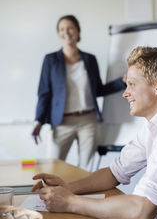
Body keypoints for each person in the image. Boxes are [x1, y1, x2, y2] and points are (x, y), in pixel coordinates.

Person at [32, 46, 157, 219]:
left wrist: (70, 202)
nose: (125, 93)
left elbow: (142, 210)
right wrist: (68, 188)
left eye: (131, 84)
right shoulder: (155, 124)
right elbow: (114, 172)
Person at [32, 15, 125, 170]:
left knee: (85, 170)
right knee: (52, 169)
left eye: (70, 28)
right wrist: (38, 122)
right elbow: (44, 93)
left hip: (88, 121)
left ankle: (79, 195)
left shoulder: (90, 60)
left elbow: (98, 90)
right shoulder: (50, 60)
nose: (66, 32)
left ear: (77, 31)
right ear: (58, 33)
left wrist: (123, 81)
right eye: (61, 29)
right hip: (61, 122)